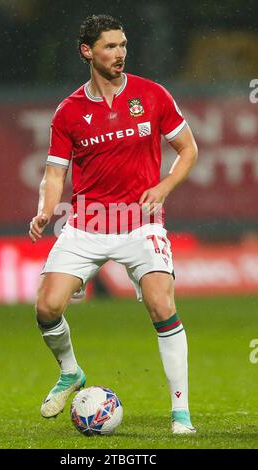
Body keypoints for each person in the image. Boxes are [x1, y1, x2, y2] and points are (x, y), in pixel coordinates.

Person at [29, 14, 198, 434]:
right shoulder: (69, 112)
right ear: (88, 52)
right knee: (47, 307)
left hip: (141, 223)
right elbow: (55, 173)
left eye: (123, 45)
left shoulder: (152, 95)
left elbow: (189, 149)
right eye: (110, 46)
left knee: (163, 305)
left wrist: (164, 187)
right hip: (86, 225)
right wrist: (46, 210)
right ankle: (70, 372)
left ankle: (181, 414)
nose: (120, 53)